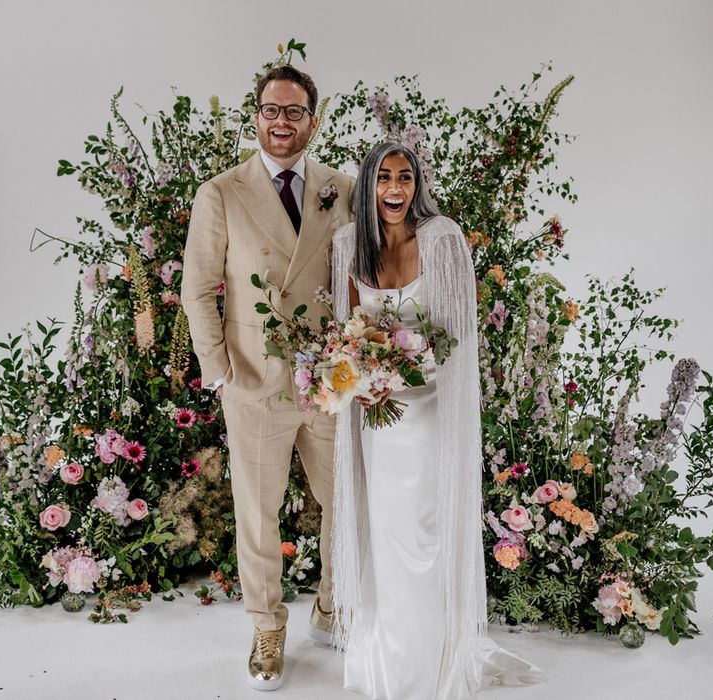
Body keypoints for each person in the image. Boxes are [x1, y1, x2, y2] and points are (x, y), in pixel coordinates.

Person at [331, 142, 542, 699]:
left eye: (404, 178)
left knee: (422, 532)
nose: (395, 189)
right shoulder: (347, 246)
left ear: (416, 184)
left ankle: (427, 665)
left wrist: (403, 370)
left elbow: (458, 337)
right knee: (383, 529)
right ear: (368, 186)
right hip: (378, 417)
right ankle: (386, 658)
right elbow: (348, 331)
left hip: (426, 413)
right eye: (383, 178)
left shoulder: (442, 239)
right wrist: (361, 372)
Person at [181, 65, 354, 691]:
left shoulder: (345, 187)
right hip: (255, 380)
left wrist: (367, 358)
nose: (282, 121)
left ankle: (336, 608)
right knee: (259, 514)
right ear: (255, 115)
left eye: (294, 111)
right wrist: (219, 372)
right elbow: (198, 289)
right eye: (271, 110)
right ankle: (267, 627)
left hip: (332, 379)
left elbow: (361, 281)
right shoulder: (222, 192)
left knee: (346, 501)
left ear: (314, 118)